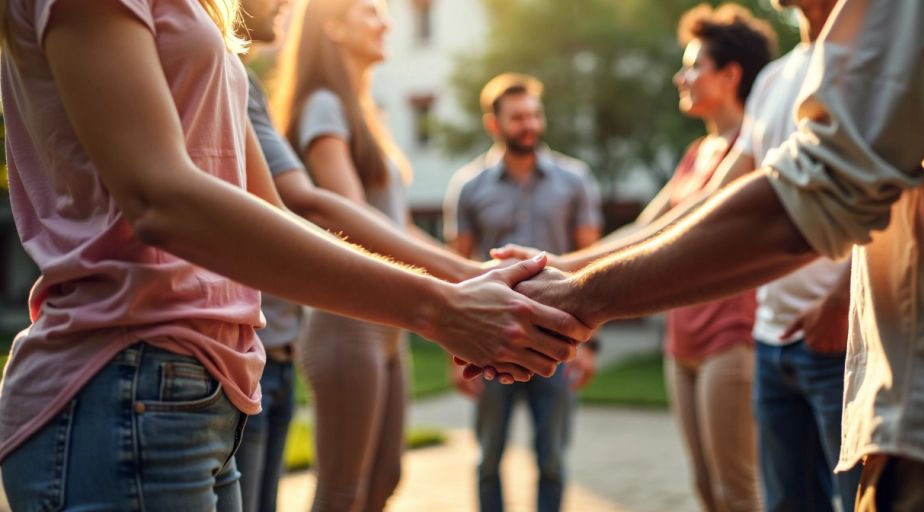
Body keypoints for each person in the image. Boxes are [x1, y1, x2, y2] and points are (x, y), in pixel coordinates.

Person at [0, 1, 589, 509]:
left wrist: (468, 279)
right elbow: (162, 200)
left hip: (205, 383)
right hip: (127, 376)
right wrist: (443, 306)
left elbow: (274, 207)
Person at [487, 1, 924, 509]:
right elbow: (706, 203)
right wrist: (563, 269)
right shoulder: (779, 79)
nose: (683, 77)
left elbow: (817, 196)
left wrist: (582, 296)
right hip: (811, 354)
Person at [490, 6, 775, 510]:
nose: (680, 76)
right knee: (708, 489)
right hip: (682, 336)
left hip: (732, 336)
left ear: (730, 76)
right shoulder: (696, 155)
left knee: (737, 490)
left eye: (694, 66)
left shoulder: (753, 147)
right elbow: (646, 229)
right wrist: (557, 261)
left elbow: (687, 226)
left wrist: (567, 271)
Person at [233, 1, 502, 509]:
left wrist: (470, 277)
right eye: (370, 12)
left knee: (384, 479)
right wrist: (460, 281)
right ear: (333, 27)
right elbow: (348, 216)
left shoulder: (365, 110)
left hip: (386, 325)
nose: (387, 23)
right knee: (343, 489)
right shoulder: (322, 106)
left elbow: (394, 227)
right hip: (348, 322)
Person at [703, 1, 861, 511]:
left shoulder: (864, 58)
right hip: (771, 342)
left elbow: (901, 194)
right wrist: (579, 271)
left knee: (860, 500)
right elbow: (725, 200)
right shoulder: (773, 77)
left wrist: (840, 300)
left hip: (844, 343)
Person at [443, 73, 603, 512]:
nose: (529, 124)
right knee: (489, 458)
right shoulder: (469, 186)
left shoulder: (576, 180)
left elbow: (592, 261)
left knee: (552, 458)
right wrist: (452, 351)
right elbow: (457, 269)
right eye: (518, 118)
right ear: (494, 125)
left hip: (559, 338)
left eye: (534, 114)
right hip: (488, 339)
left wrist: (591, 344)